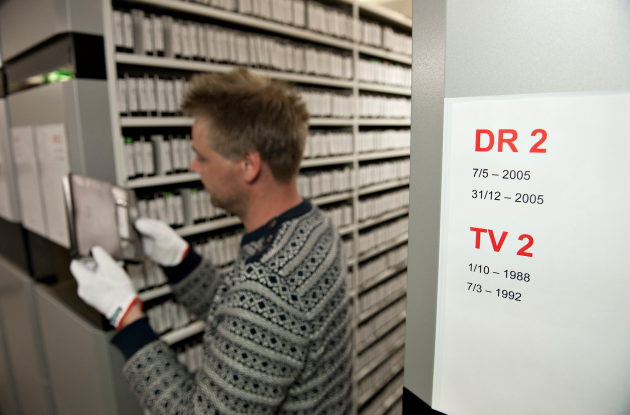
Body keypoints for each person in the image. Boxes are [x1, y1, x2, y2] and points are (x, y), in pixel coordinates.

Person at [70, 67, 353, 414]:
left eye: (203, 156)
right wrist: (182, 262)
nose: (194, 166)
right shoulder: (312, 225)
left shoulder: (268, 285)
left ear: (249, 165)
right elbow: (254, 330)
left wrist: (128, 319)